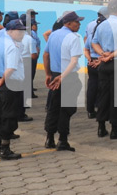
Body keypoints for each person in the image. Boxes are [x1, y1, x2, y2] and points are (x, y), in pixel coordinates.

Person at [91, 0, 117, 139]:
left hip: (104, 64)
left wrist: (103, 53)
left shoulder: (102, 25)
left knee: (104, 95)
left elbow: (94, 43)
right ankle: (115, 128)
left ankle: (101, 127)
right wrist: (112, 55)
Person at [43, 11, 84, 152]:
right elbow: (73, 62)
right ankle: (63, 140)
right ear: (67, 23)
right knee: (66, 109)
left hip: (55, 74)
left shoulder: (53, 34)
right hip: (68, 76)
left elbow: (46, 54)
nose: (79, 24)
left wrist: (48, 74)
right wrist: (63, 77)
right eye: (76, 22)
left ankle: (49, 138)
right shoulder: (73, 38)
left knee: (53, 107)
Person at [0, 19, 25, 160]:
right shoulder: (12, 46)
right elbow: (10, 68)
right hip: (9, 84)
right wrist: (2, 80)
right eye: (18, 30)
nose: (21, 33)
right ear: (9, 31)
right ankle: (5, 149)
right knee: (9, 115)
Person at [83, 7, 107, 119]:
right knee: (103, 88)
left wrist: (89, 59)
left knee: (92, 86)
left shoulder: (91, 30)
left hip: (92, 61)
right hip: (102, 62)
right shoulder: (106, 33)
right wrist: (100, 60)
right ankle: (102, 112)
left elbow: (85, 47)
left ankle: (90, 110)